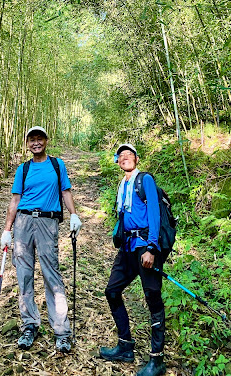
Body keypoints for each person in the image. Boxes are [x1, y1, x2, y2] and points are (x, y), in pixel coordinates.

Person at [0, 126, 82, 353]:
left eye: (40, 139)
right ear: (27, 144)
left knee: (51, 273)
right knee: (24, 275)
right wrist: (7, 230)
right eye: (32, 140)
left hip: (48, 222)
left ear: (46, 141)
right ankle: (29, 325)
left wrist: (74, 215)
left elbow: (65, 192)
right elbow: (15, 201)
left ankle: (62, 330)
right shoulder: (23, 169)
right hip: (23, 223)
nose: (36, 143)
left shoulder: (57, 165)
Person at [100, 143, 166, 376]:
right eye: (121, 156)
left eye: (129, 155)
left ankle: (157, 360)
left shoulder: (144, 179)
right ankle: (125, 346)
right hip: (128, 247)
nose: (125, 158)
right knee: (112, 291)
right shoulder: (123, 184)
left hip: (145, 246)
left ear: (136, 159)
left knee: (152, 298)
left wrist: (152, 247)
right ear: (117, 161)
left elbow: (155, 213)